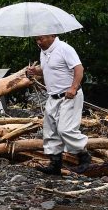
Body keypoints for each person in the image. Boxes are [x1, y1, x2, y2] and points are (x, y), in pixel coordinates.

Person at [25, 34, 88, 175]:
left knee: (65, 129)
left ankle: (84, 157)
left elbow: (79, 69)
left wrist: (73, 88)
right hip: (52, 96)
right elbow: (49, 69)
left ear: (52, 35)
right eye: (36, 39)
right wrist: (35, 71)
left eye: (41, 38)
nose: (38, 42)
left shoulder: (64, 48)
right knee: (50, 131)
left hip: (68, 96)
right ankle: (55, 164)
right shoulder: (44, 52)